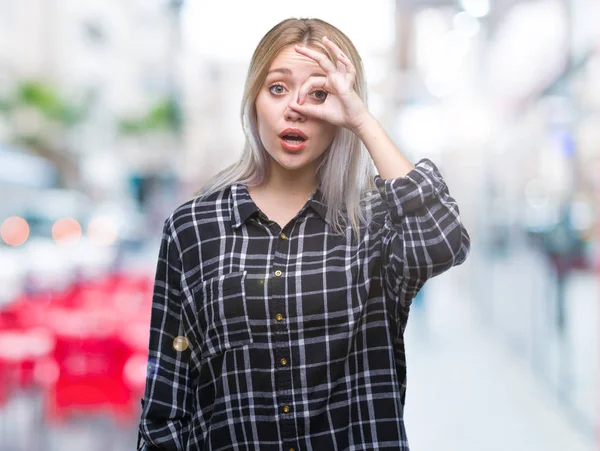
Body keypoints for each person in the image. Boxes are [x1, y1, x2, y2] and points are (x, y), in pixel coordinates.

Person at [137, 17, 470, 451]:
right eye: (277, 88)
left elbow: (444, 240)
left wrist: (363, 121)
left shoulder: (374, 221)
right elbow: (168, 398)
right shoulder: (194, 228)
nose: (296, 107)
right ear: (253, 100)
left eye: (319, 94)